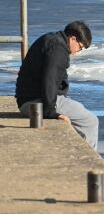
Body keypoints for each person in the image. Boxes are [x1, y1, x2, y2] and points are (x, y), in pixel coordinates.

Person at [15, 21, 99, 149]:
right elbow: (50, 80)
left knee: (78, 109)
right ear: (73, 39)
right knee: (90, 121)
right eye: (80, 47)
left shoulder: (51, 40)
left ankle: (74, 152)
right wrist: (51, 112)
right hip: (36, 103)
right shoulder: (58, 49)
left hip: (29, 100)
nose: (78, 52)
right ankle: (89, 163)